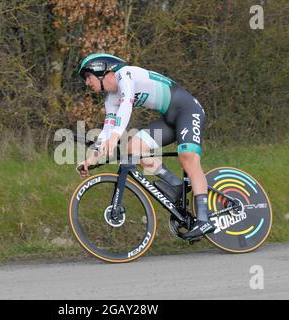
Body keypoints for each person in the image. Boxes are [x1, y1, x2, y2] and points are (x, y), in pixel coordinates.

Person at [76, 53, 215, 239]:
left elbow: (126, 107)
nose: (87, 82)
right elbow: (106, 131)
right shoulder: (110, 99)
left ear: (101, 70)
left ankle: (204, 220)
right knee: (133, 148)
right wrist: (91, 159)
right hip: (169, 119)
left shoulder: (125, 75)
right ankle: (175, 184)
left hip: (188, 111)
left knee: (188, 159)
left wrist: (115, 136)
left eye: (87, 76)